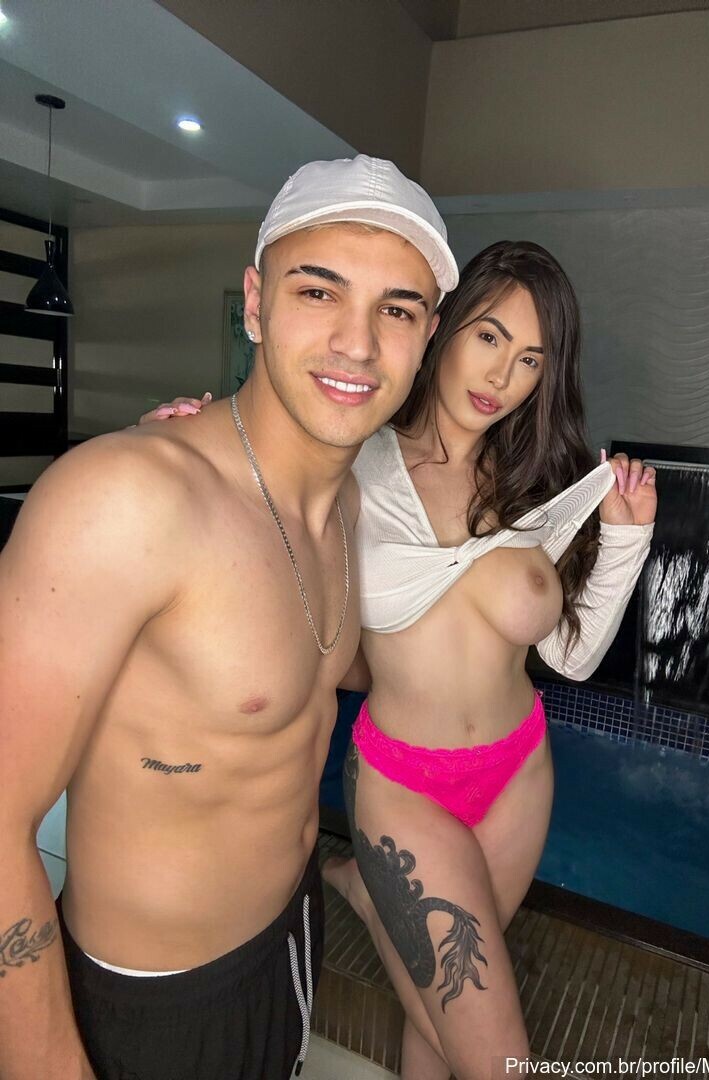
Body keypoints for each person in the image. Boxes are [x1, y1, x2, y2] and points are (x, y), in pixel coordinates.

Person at [142, 240, 657, 1079]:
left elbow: (570, 656)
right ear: (443, 327)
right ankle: (361, 885)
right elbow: (247, 510)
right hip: (404, 784)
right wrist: (183, 444)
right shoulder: (354, 462)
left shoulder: (537, 485)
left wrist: (629, 536)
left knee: (435, 1023)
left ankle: (362, 890)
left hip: (518, 771)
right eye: (489, 338)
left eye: (532, 359)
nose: (504, 376)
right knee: (494, 1054)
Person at [0, 154, 458, 1080]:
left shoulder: (349, 507)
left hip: (286, 937)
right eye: (318, 292)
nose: (358, 344)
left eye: (397, 310)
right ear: (254, 304)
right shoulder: (125, 500)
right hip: (152, 1004)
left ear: (427, 337)